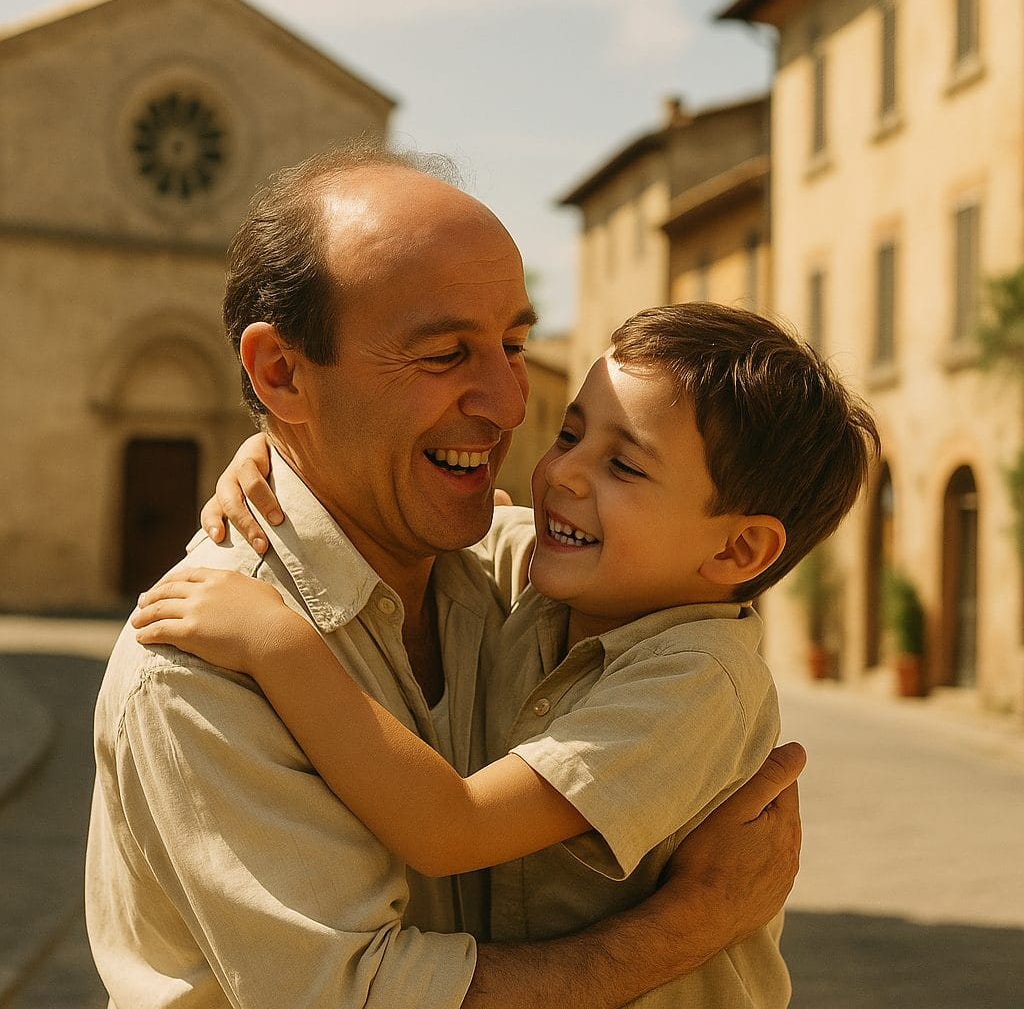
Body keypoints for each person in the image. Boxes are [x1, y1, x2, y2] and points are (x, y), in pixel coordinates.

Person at [86, 143, 804, 1009]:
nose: (508, 405)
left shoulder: (505, 577)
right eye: (443, 356)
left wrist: (289, 453)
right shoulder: (199, 663)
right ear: (281, 373)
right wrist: (692, 925)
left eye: (512, 343)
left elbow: (455, 827)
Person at [137, 302, 878, 1006]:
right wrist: (280, 452)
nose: (563, 474)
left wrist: (279, 644)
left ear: (738, 546)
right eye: (569, 434)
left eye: (625, 467)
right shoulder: (566, 572)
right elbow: (378, 496)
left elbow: (451, 829)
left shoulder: (697, 681)